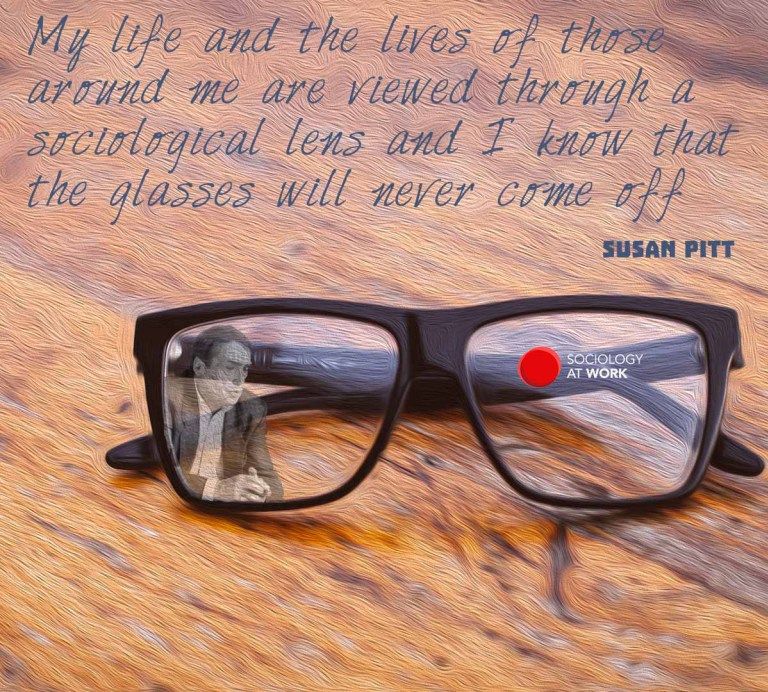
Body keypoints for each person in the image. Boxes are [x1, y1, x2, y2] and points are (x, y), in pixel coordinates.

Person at [165, 325, 283, 502]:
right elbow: (159, 470)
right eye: (229, 367)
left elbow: (271, 481)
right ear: (199, 367)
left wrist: (260, 491)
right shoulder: (167, 397)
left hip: (225, 510)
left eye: (244, 369)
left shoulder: (252, 408)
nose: (239, 379)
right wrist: (216, 489)